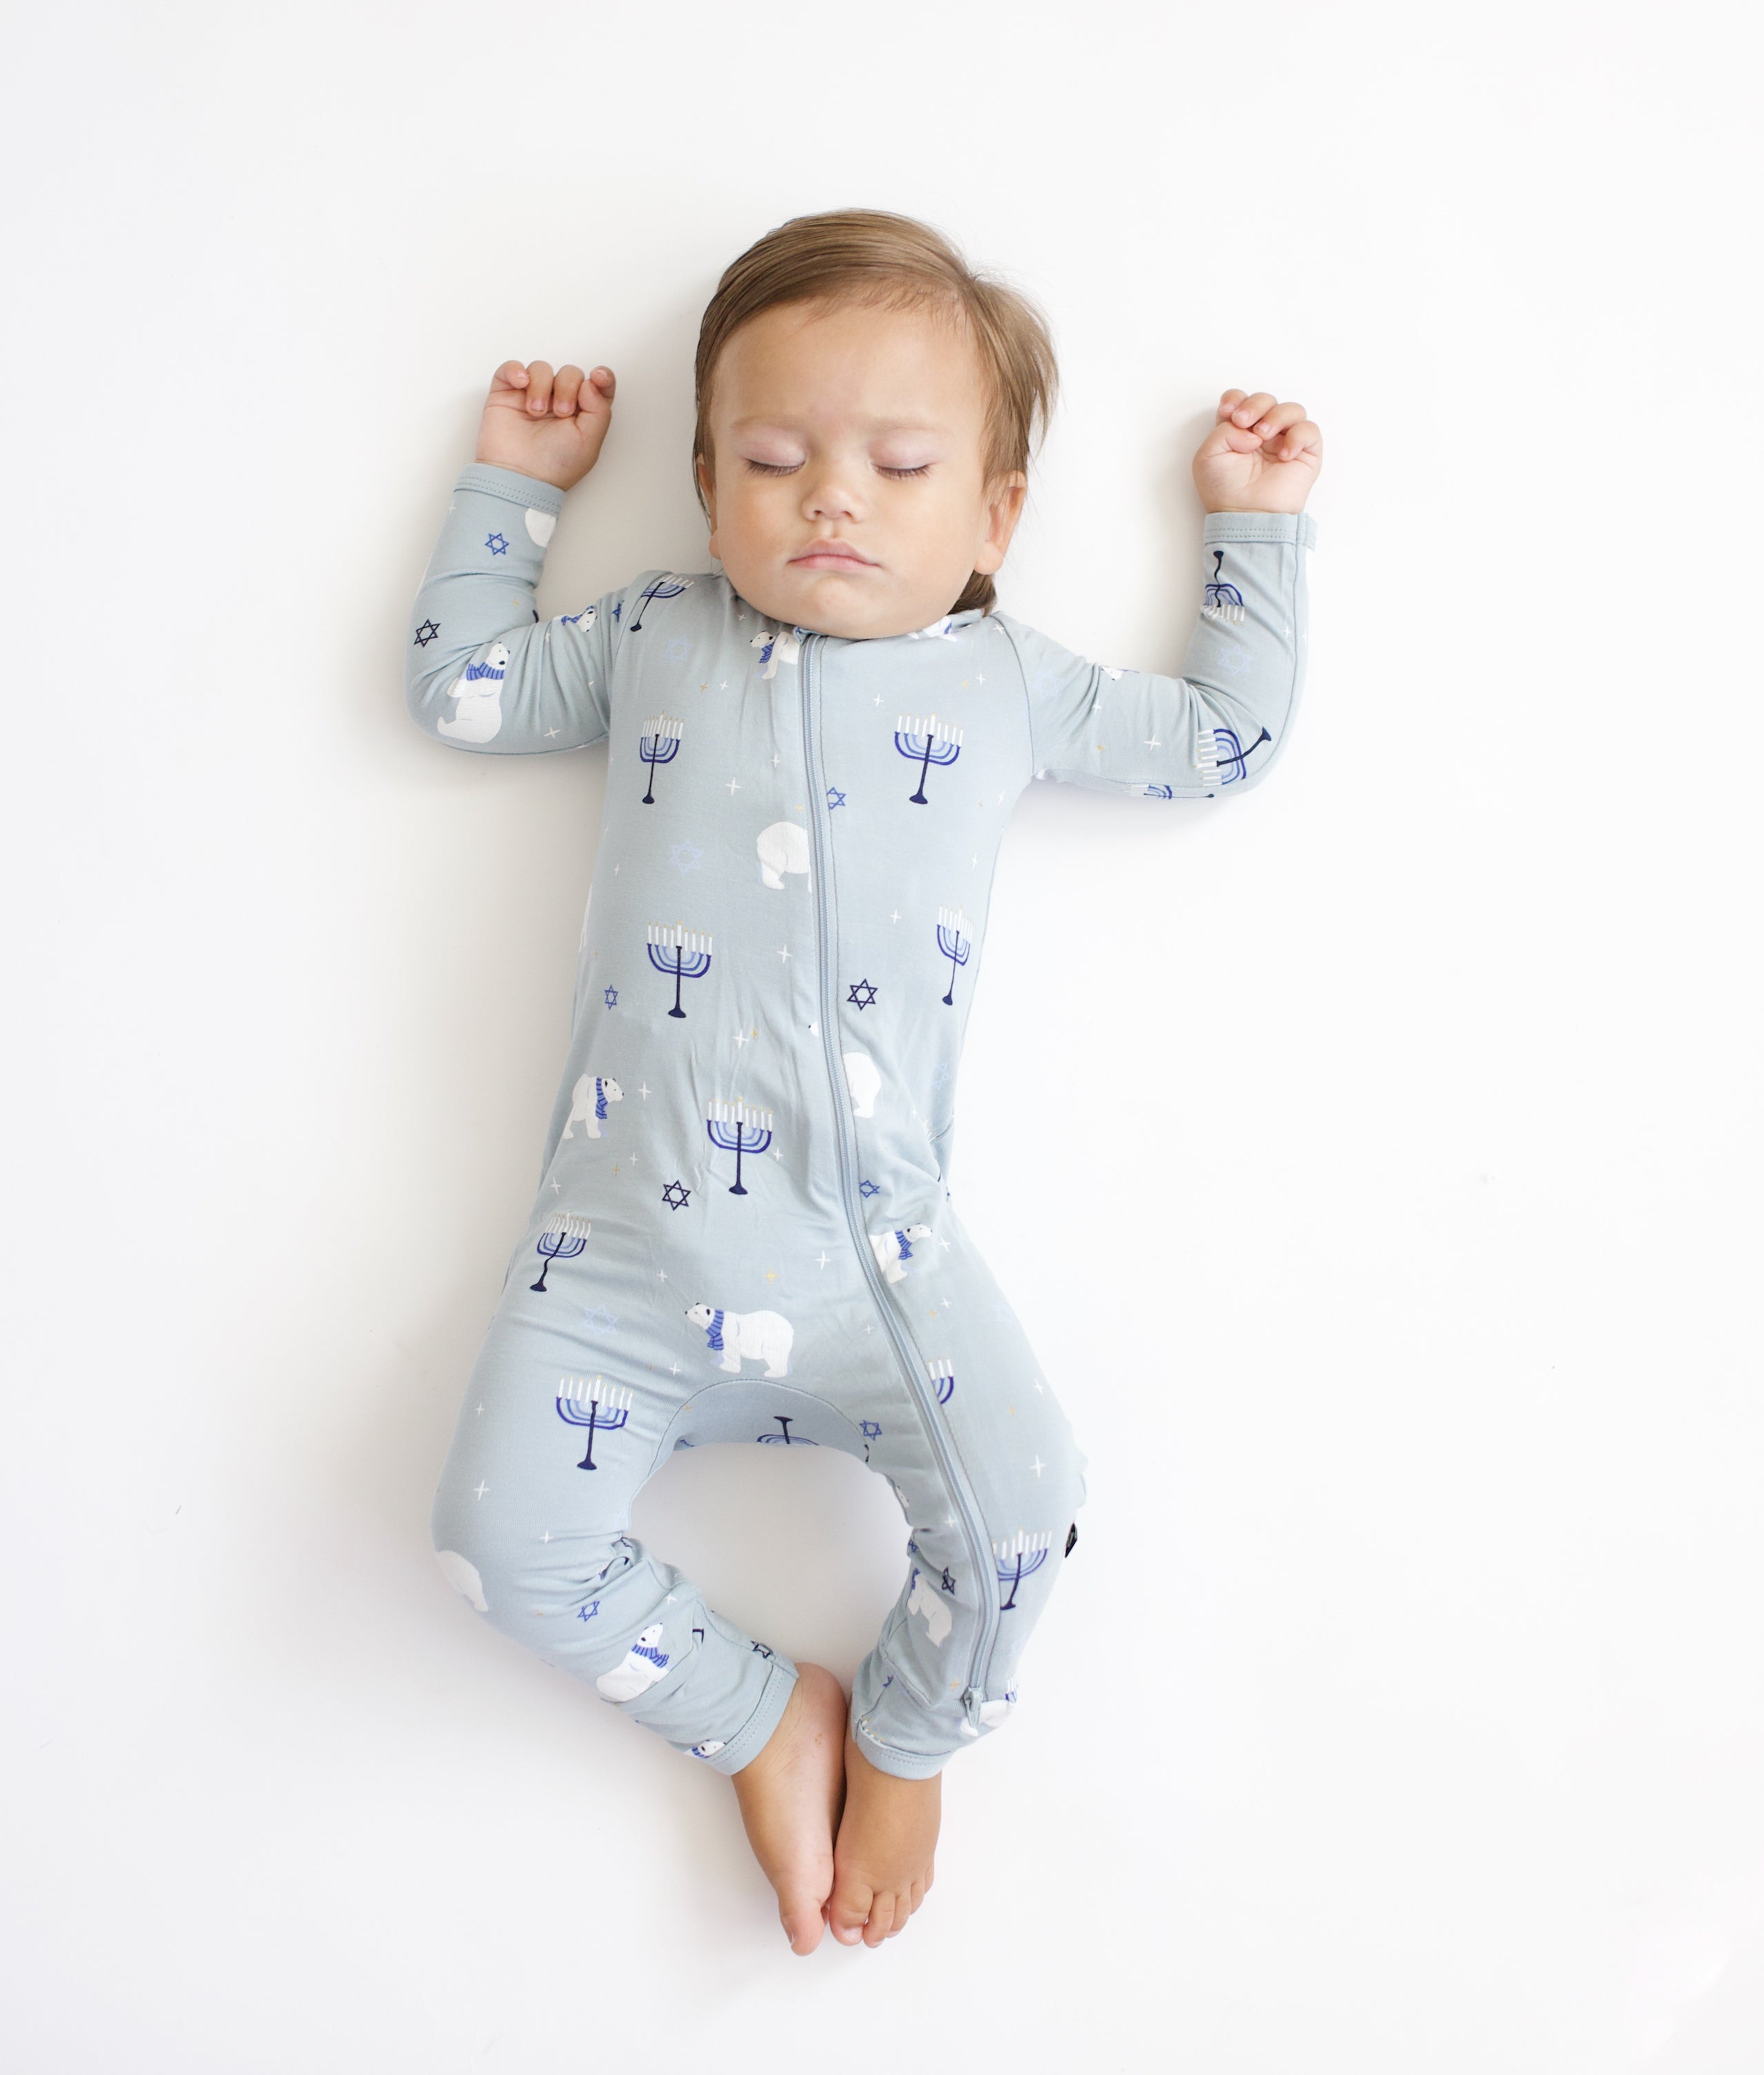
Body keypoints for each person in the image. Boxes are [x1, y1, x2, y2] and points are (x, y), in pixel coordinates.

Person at [406, 208, 1321, 1953]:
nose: (833, 497)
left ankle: (906, 1734)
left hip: (874, 1259)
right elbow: (461, 689)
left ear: (994, 517)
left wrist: (1253, 529)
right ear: (704, 486)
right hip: (612, 1260)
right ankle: (761, 1715)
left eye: (901, 466)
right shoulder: (654, 636)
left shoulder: (1007, 686)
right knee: (497, 1545)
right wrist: (515, 482)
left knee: (1030, 1514)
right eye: (773, 459)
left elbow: (1224, 739)